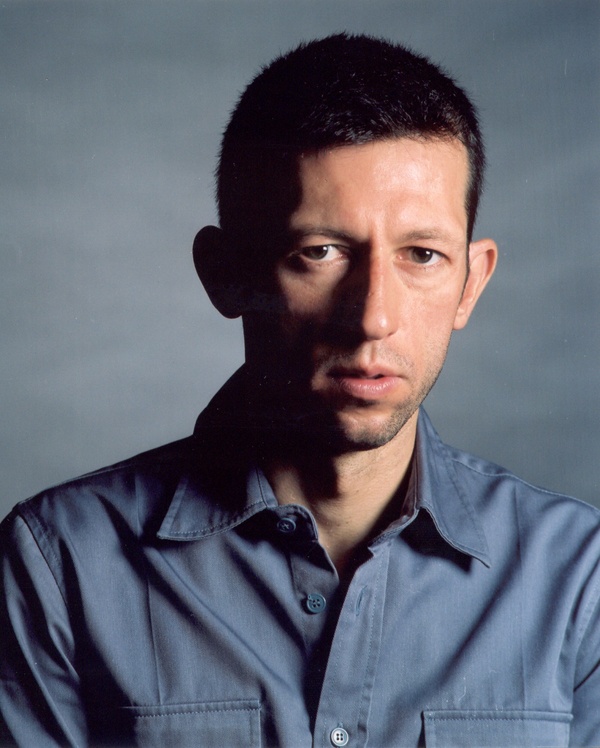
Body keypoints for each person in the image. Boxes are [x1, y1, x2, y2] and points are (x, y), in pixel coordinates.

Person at [1, 33, 599, 747]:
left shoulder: (578, 579)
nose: (373, 317)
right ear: (226, 274)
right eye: (319, 252)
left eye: (423, 255)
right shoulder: (61, 565)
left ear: (471, 282)